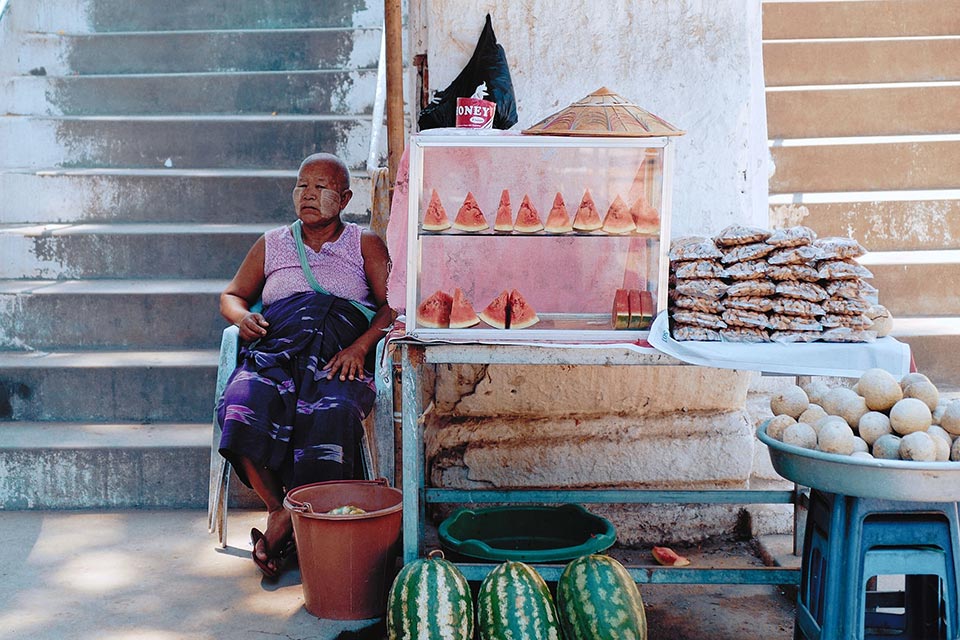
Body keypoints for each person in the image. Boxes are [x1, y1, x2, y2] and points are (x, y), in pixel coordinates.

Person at [216, 152, 393, 580]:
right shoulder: (272, 242)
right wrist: (243, 318)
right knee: (240, 406)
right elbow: (231, 295)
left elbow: (393, 306)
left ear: (346, 197)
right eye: (302, 185)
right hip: (277, 353)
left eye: (321, 187)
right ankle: (283, 512)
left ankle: (295, 523)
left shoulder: (363, 242)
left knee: (330, 412)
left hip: (337, 358)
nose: (308, 194)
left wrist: (359, 347)